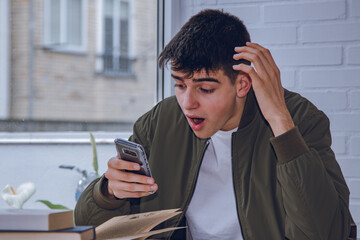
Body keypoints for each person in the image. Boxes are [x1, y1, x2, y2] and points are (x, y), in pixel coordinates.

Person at [74, 9, 352, 240]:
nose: (187, 102)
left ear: (242, 83)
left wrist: (280, 119)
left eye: (205, 89)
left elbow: (327, 232)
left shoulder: (300, 119)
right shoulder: (160, 122)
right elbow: (87, 224)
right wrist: (108, 192)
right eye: (179, 85)